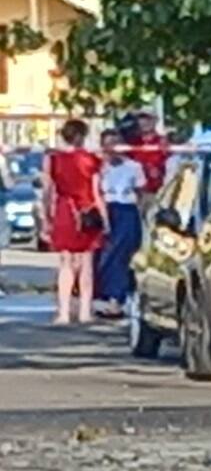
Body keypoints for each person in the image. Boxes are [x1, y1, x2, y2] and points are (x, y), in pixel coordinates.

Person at [42, 118, 105, 325]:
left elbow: (47, 191)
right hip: (87, 210)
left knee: (65, 262)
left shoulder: (53, 159)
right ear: (81, 136)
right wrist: (105, 218)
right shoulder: (91, 159)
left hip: (64, 210)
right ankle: (85, 311)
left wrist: (46, 218)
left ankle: (64, 312)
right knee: (87, 262)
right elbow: (97, 192)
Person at [93, 128, 147, 317]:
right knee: (101, 256)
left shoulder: (133, 167)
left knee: (120, 255)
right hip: (103, 210)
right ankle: (100, 296)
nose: (112, 149)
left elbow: (141, 194)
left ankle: (117, 299)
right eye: (108, 145)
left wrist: (143, 217)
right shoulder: (98, 167)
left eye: (116, 144)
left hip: (126, 211)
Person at [128, 110, 171, 195]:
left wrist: (160, 172)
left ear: (155, 121)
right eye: (141, 118)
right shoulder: (133, 143)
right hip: (137, 192)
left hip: (161, 191)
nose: (144, 122)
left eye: (148, 118)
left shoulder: (164, 142)